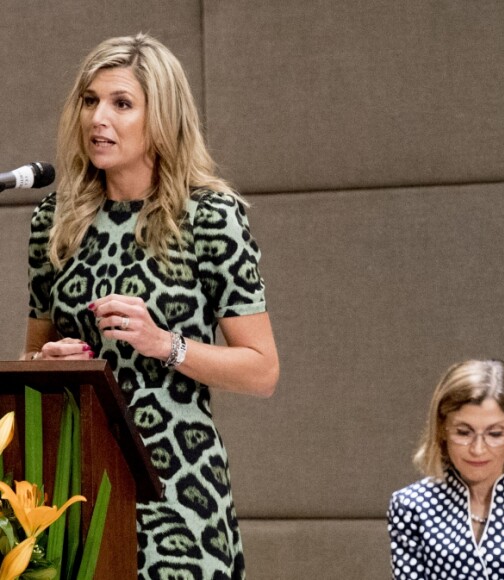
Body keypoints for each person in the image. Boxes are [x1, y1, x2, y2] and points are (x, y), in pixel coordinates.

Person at [24, 33, 279, 579]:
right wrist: (53, 360)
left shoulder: (211, 218)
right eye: (90, 101)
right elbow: (31, 365)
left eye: (121, 104)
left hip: (178, 494)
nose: (99, 118)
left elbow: (262, 370)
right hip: (77, 484)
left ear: (161, 118)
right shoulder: (55, 219)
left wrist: (165, 343)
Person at [387, 359, 504, 579]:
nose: (478, 450)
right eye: (463, 432)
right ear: (442, 429)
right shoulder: (410, 506)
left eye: (495, 434)